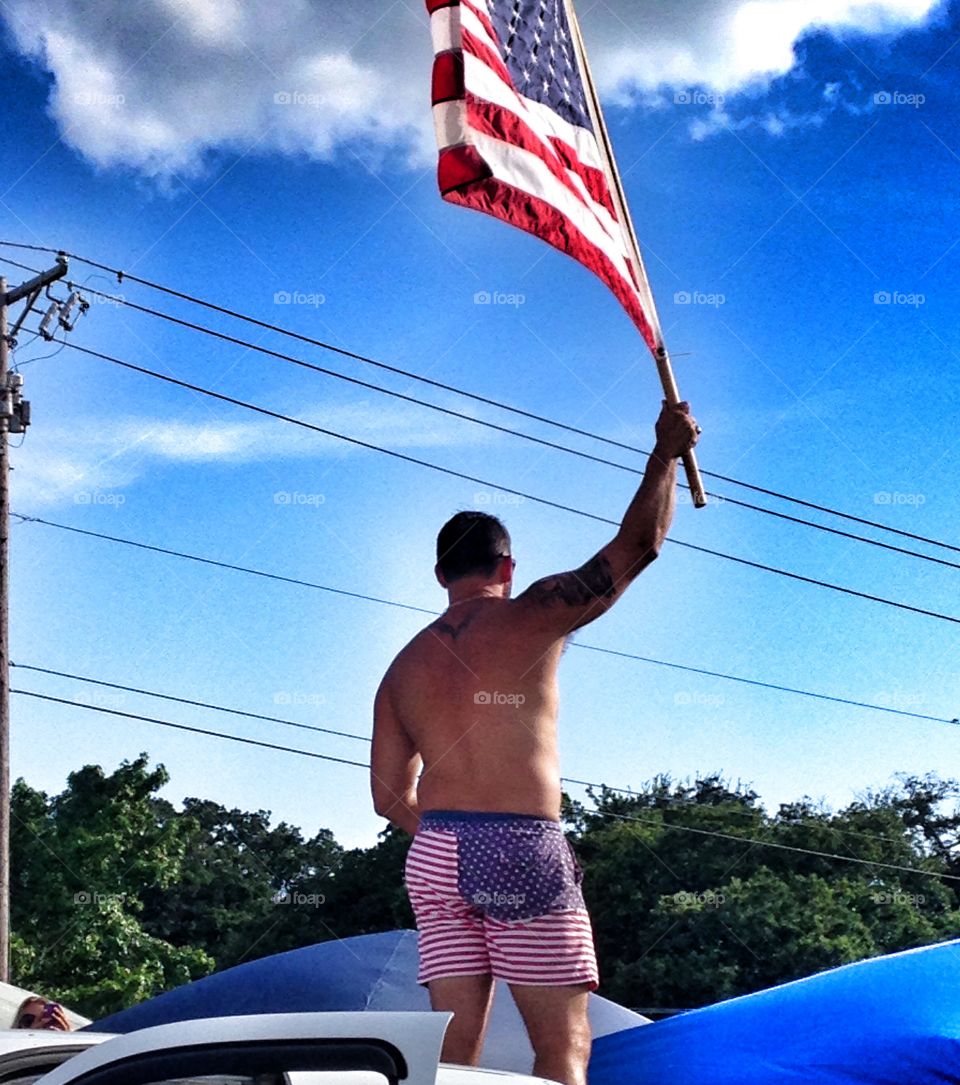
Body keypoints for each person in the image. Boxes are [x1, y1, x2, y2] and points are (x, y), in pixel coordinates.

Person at [371, 401, 700, 1085]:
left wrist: (445, 833)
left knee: (453, 1058)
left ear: (440, 575)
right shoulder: (535, 611)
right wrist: (664, 454)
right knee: (562, 1050)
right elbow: (638, 547)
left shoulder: (400, 668)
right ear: (509, 565)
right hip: (519, 845)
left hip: (434, 855)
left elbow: (385, 796)